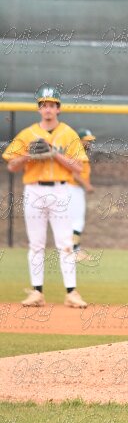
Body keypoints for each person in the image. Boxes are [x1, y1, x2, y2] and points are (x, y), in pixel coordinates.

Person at [3, 86, 90, 308]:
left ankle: (71, 293)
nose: (48, 109)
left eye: (51, 105)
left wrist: (55, 153)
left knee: (65, 243)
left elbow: (78, 167)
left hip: (60, 191)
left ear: (58, 109)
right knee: (36, 244)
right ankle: (37, 293)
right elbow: (12, 166)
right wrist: (28, 155)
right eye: (44, 105)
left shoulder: (68, 133)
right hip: (34, 190)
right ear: (39, 109)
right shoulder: (27, 134)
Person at [67, 129, 96, 263]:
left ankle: (74, 250)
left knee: (75, 221)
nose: (89, 143)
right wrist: (87, 186)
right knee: (77, 222)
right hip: (72, 188)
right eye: (87, 140)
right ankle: (74, 251)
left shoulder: (80, 152)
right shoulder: (77, 152)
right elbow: (74, 174)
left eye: (91, 141)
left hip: (74, 189)